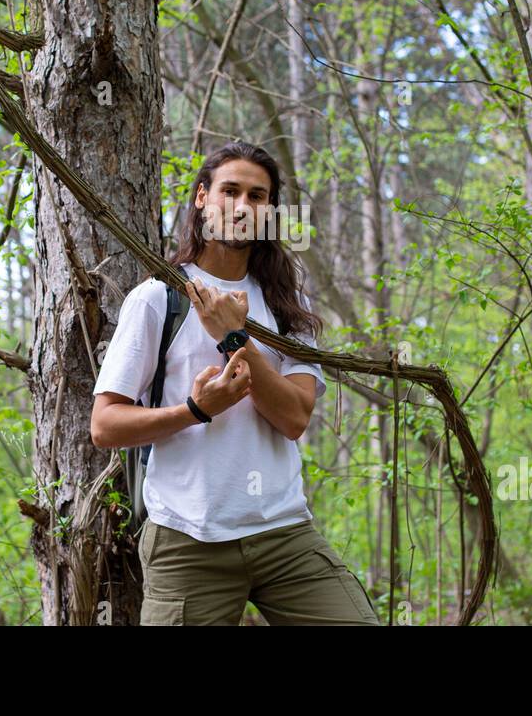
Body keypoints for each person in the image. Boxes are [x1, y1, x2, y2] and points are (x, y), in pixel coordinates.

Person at [90, 141, 380, 625]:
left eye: (258, 196)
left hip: (284, 534)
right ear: (203, 197)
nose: (243, 206)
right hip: (188, 541)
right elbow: (105, 424)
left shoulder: (287, 304)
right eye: (231, 190)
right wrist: (195, 410)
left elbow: (293, 418)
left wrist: (233, 338)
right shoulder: (157, 299)